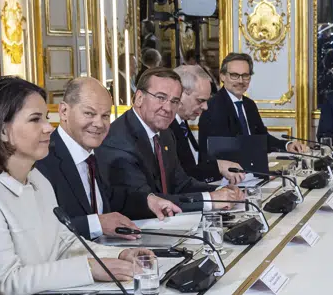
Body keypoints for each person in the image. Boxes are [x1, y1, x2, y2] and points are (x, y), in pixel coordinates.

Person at [0, 76, 154, 295]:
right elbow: (8, 282)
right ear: (2, 130)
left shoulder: (36, 178)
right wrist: (90, 268)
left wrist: (117, 255)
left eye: (45, 118)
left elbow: (63, 242)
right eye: (35, 119)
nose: (48, 127)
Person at [35, 77, 181, 240]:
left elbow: (110, 197)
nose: (99, 123)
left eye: (105, 116)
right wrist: (97, 224)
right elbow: (42, 231)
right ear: (63, 112)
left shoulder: (93, 153)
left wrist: (149, 201)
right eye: (89, 114)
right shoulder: (41, 159)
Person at [97, 68, 245, 213]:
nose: (168, 108)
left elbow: (180, 183)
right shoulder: (118, 141)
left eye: (174, 101)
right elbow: (146, 201)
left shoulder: (165, 133)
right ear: (139, 98)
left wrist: (223, 191)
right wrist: (210, 200)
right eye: (161, 98)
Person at [198, 53, 308, 159]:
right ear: (222, 76)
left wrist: (287, 145)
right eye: (234, 75)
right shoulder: (213, 107)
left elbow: (262, 138)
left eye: (245, 76)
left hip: (251, 169)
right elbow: (222, 150)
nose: (240, 81)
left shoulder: (249, 104)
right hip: (227, 174)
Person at [171, 65, 244, 184]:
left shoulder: (182, 121)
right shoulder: (165, 127)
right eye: (200, 100)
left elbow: (192, 168)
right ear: (180, 94)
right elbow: (180, 176)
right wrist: (217, 167)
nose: (205, 107)